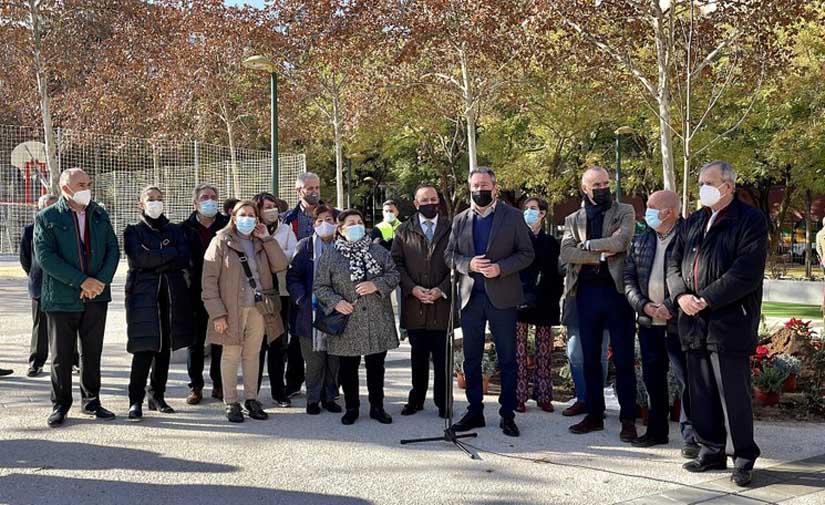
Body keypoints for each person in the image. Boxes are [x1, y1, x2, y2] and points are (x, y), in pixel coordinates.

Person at [667, 161, 767, 487]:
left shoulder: (749, 220)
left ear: (728, 186)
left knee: (732, 394)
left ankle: (743, 457)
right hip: (693, 321)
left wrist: (706, 298)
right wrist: (681, 295)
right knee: (701, 391)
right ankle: (710, 449)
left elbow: (746, 272)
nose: (702, 189)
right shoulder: (693, 222)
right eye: (699, 183)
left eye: (708, 183)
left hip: (728, 321)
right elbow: (673, 263)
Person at [445, 167, 535, 437]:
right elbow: (449, 255)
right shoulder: (460, 219)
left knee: (508, 358)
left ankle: (507, 414)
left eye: (485, 185)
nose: (480, 190)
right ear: (469, 188)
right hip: (471, 298)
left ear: (495, 188)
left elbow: (527, 254)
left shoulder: (513, 217)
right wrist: (467, 263)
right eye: (475, 185)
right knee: (471, 358)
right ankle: (474, 411)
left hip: (503, 299)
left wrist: (501, 268)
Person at [34, 168, 120, 428]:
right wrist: (81, 281)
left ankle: (91, 401)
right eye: (81, 184)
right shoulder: (47, 217)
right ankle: (60, 404)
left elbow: (112, 249)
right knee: (61, 354)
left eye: (88, 183)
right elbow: (46, 257)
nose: (87, 187)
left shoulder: (99, 214)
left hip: (96, 296)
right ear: (65, 188)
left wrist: (99, 282)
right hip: (61, 298)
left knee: (92, 352)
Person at [561, 166, 637, 441]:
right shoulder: (572, 219)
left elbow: (622, 241)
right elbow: (567, 252)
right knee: (591, 358)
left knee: (624, 358)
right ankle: (594, 414)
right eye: (597, 184)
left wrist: (588, 245)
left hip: (617, 294)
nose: (604, 188)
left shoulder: (624, 210)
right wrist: (599, 254)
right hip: (586, 294)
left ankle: (628, 418)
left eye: (607, 182)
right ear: (585, 189)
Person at [202, 200, 289, 423]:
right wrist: (217, 313)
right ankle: (231, 402)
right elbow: (209, 280)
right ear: (234, 217)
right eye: (243, 214)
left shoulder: (261, 242)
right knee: (230, 355)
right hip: (231, 309)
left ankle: (251, 399)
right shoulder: (221, 240)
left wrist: (267, 239)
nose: (247, 219)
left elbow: (280, 265)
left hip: (259, 309)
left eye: (252, 215)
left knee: (252, 355)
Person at [624, 190, 697, 455]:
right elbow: (629, 278)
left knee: (686, 381)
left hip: (679, 324)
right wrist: (644, 305)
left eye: (653, 207)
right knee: (653, 379)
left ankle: (691, 438)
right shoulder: (641, 240)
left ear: (669, 212)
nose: (647, 212)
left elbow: (691, 278)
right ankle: (656, 431)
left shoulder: (690, 238)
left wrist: (668, 306)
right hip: (647, 322)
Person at [313, 209, 400, 425]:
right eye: (351, 223)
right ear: (341, 229)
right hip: (347, 320)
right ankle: (352, 407)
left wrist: (376, 285)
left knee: (376, 366)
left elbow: (393, 274)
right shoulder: (331, 255)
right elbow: (320, 286)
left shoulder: (378, 251)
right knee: (348, 368)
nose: (357, 226)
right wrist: (336, 302)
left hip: (376, 318)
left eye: (359, 222)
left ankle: (377, 407)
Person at [124, 186, 194, 421]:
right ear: (140, 204)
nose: (155, 203)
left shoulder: (175, 230)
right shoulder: (132, 231)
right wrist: (168, 254)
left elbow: (183, 257)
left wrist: (156, 260)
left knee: (164, 348)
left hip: (171, 296)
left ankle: (157, 396)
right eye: (150, 199)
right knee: (144, 348)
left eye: (159, 199)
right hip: (143, 296)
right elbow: (140, 258)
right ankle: (135, 400)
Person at [391, 185, 451, 418]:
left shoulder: (451, 228)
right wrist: (412, 288)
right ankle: (416, 400)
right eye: (424, 199)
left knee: (442, 358)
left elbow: (457, 262)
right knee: (418, 358)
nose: (430, 203)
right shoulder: (403, 230)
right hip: (414, 304)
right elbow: (396, 264)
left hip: (442, 304)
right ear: (416, 204)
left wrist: (441, 289)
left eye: (433, 198)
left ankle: (443, 402)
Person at [287, 204, 342, 415]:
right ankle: (313, 399)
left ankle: (330, 397)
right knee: (314, 360)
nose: (324, 224)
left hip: (337, 312)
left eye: (329, 219)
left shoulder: (343, 247)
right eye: (319, 221)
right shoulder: (304, 246)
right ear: (313, 224)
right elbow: (293, 277)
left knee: (333, 359)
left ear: (337, 224)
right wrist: (301, 299)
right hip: (309, 313)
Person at [181, 184, 229, 404]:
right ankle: (196, 386)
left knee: (221, 338)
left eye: (213, 197)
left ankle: (219, 384)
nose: (209, 201)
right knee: (196, 341)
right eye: (204, 197)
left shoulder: (227, 225)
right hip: (193, 293)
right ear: (195, 203)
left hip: (222, 291)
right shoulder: (183, 229)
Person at [516, 197, 563, 413]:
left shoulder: (552, 242)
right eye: (526, 209)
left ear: (543, 213)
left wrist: (553, 296)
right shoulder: (516, 239)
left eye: (533, 209)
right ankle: (519, 395)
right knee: (519, 350)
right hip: (519, 301)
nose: (529, 213)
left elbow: (557, 274)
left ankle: (544, 394)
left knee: (544, 351)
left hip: (545, 301)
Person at [253, 192, 298, 407]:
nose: (271, 210)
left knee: (278, 343)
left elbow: (292, 255)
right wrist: (277, 255)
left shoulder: (286, 229)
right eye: (266, 206)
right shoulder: (250, 230)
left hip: (281, 292)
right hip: (258, 293)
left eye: (273, 205)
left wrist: (273, 252)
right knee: (257, 345)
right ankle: (252, 393)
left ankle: (279, 392)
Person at [282, 172, 324, 396]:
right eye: (309, 188)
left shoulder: (331, 215)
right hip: (298, 285)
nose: (314, 192)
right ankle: (294, 382)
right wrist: (298, 294)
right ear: (299, 191)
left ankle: (328, 385)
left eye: (317, 187)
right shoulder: (286, 219)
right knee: (297, 337)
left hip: (328, 286)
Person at [20, 193, 58, 377]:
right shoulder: (29, 230)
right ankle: (36, 362)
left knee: (67, 326)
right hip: (39, 285)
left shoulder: (66, 229)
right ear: (39, 208)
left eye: (53, 205)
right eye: (46, 206)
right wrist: (34, 275)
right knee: (40, 326)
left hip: (64, 285)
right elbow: (26, 259)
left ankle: (74, 360)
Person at [561, 300, 609, 416]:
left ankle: (596, 402)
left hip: (605, 300)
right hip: (575, 300)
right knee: (574, 354)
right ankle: (582, 400)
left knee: (601, 355)